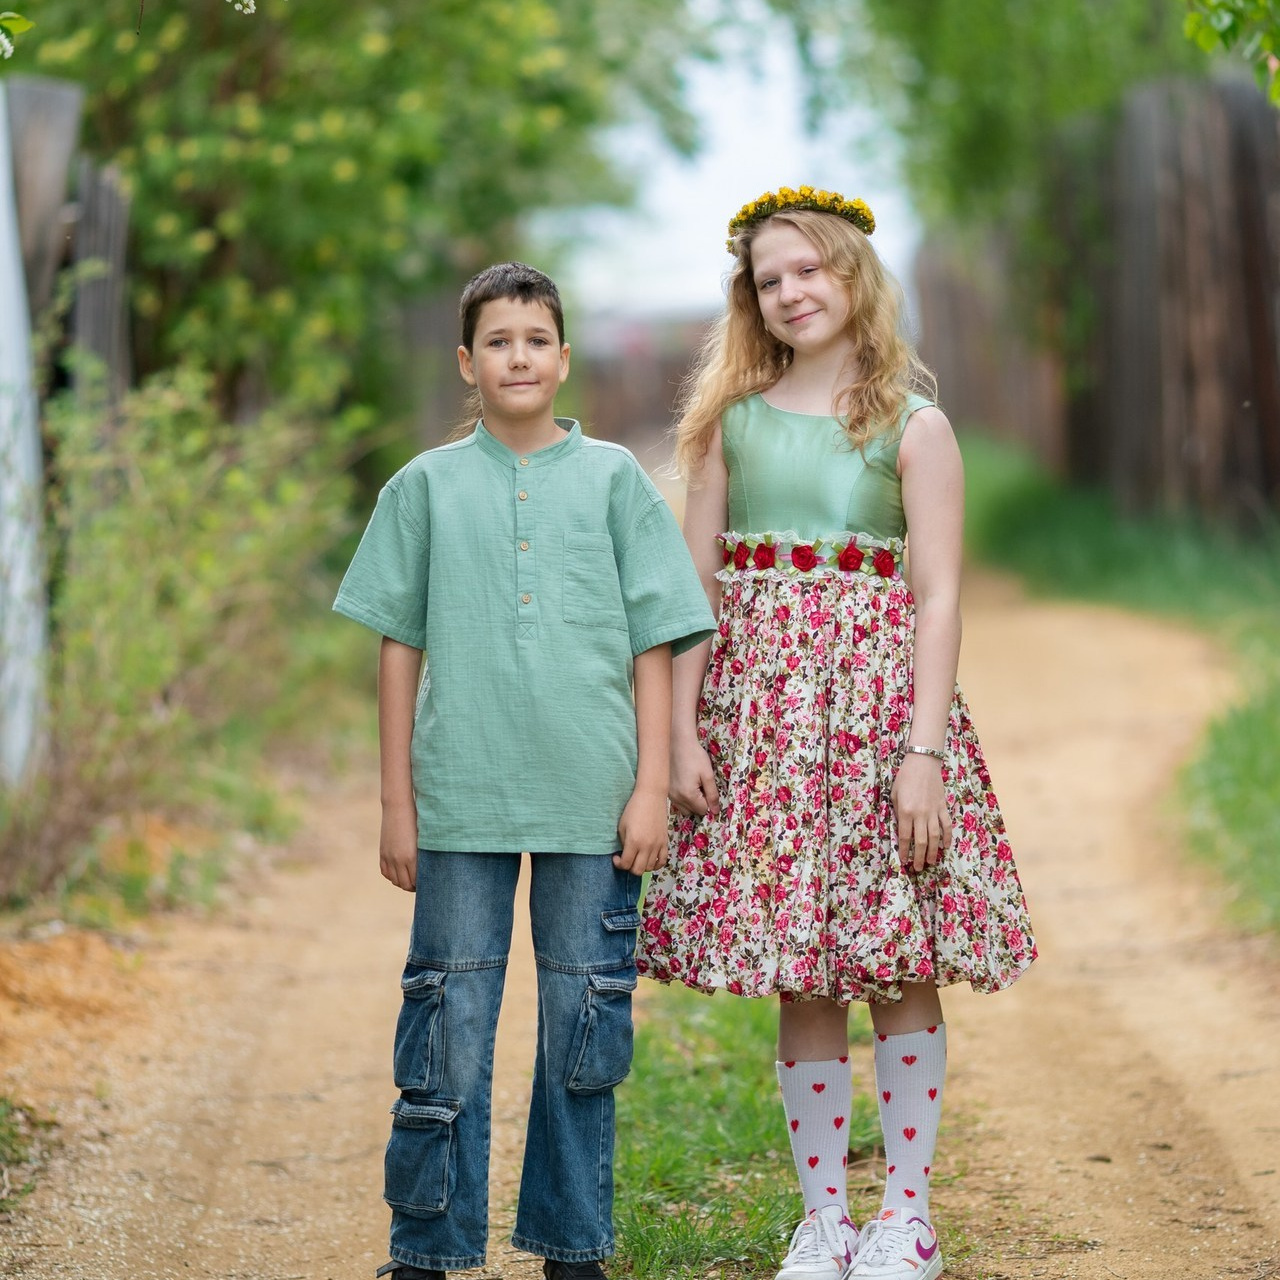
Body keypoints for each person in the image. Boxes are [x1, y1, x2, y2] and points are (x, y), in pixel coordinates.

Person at [635, 187, 1037, 1280]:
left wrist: (922, 752)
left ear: (852, 272)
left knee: (894, 953)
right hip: (760, 719)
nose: (790, 291)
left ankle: (903, 1209)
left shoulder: (912, 424)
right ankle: (823, 1216)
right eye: (769, 279)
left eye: (807, 268)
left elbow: (938, 597)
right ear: (749, 300)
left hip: (873, 720)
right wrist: (678, 736)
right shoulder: (730, 424)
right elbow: (692, 590)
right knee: (800, 966)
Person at [333, 262, 717, 1280]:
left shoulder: (613, 483)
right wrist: (394, 804)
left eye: (536, 338)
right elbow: (396, 645)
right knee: (445, 1021)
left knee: (582, 1021)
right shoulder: (421, 486)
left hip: (593, 800)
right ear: (467, 362)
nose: (518, 355)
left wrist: (646, 783)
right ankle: (427, 1242)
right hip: (459, 799)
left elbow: (654, 637)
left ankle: (570, 1244)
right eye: (497, 340)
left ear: (560, 356)